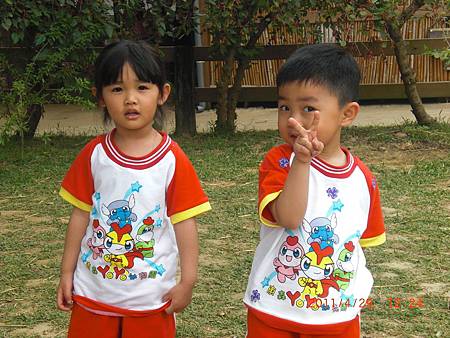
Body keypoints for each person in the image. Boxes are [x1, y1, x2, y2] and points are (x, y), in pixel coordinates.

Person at [56, 40, 211, 338]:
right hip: (93, 294)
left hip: (151, 299)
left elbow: (185, 223)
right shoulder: (94, 155)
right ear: (100, 97)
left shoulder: (171, 159)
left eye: (142, 88)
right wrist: (66, 273)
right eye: (117, 89)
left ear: (162, 93)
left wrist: (188, 281)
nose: (130, 99)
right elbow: (79, 216)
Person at [244, 44, 386, 337]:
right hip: (274, 309)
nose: (293, 119)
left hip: (336, 317)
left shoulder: (363, 179)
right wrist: (302, 162)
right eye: (285, 108)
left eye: (308, 108)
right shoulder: (280, 161)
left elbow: (358, 247)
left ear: (347, 114)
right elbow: (289, 218)